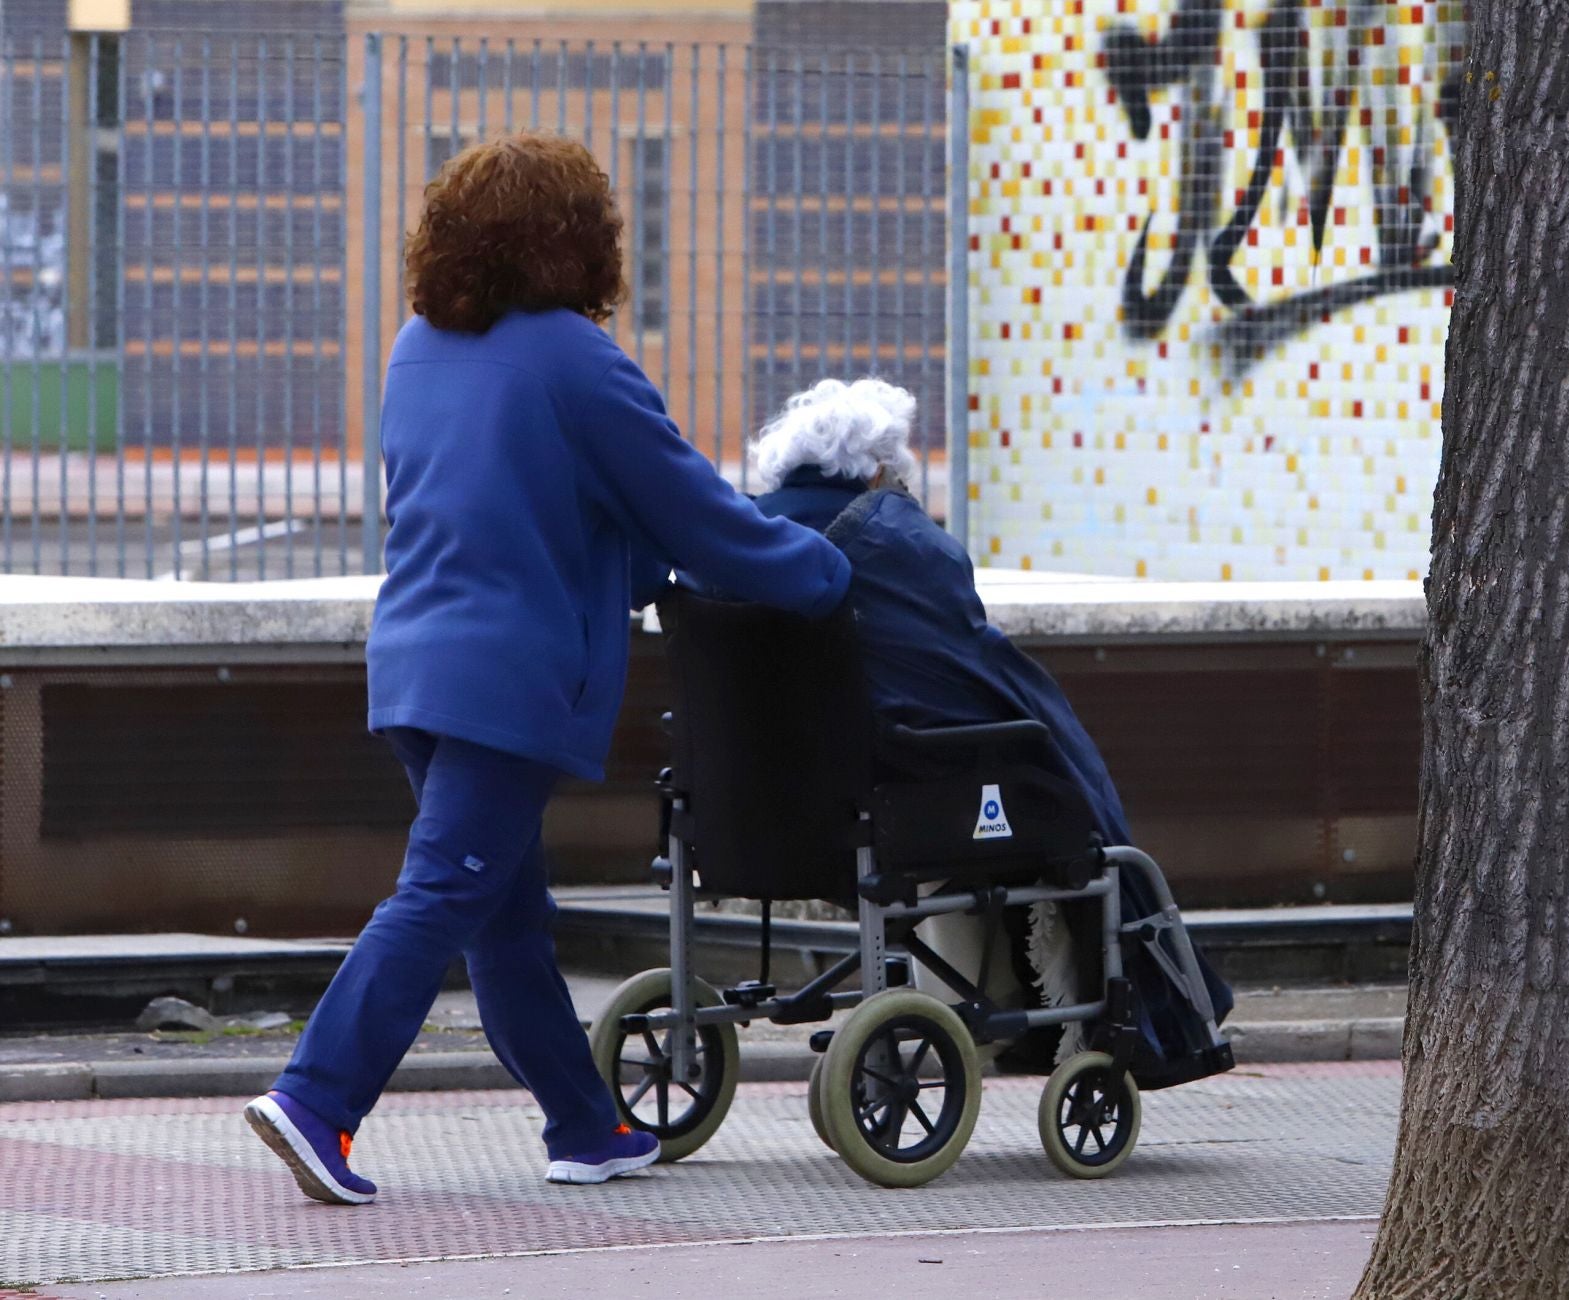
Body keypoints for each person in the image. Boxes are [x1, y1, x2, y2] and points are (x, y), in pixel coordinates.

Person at [244, 134, 850, 1206]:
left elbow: (507, 499)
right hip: (507, 685)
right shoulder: (576, 358)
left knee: (509, 921)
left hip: (414, 668)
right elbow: (696, 512)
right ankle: (317, 1098)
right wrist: (829, 570)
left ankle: (590, 1123)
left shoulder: (417, 346)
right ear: (577, 242)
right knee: (441, 895)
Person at [752, 378, 1232, 1087]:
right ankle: (1105, 1020)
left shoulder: (742, 538)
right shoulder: (896, 541)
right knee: (1065, 804)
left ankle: (981, 995)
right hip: (903, 795)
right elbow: (967, 671)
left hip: (763, 804)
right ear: (880, 470)